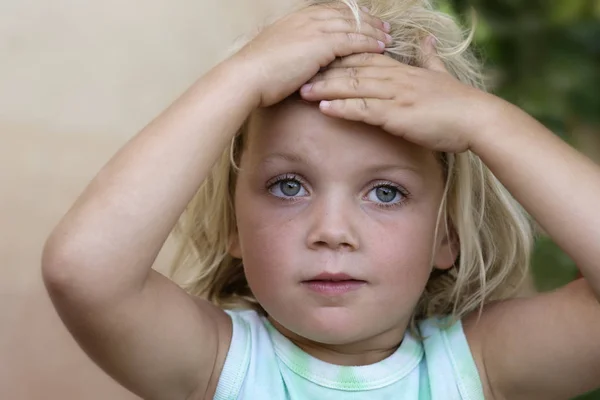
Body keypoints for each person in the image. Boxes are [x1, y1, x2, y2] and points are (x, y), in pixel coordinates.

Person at [41, 0, 600, 399]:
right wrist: (243, 77)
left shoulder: (477, 368)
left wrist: (485, 122)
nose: (332, 230)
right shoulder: (220, 365)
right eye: (289, 186)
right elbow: (84, 270)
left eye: (386, 192)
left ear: (448, 234)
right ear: (234, 222)